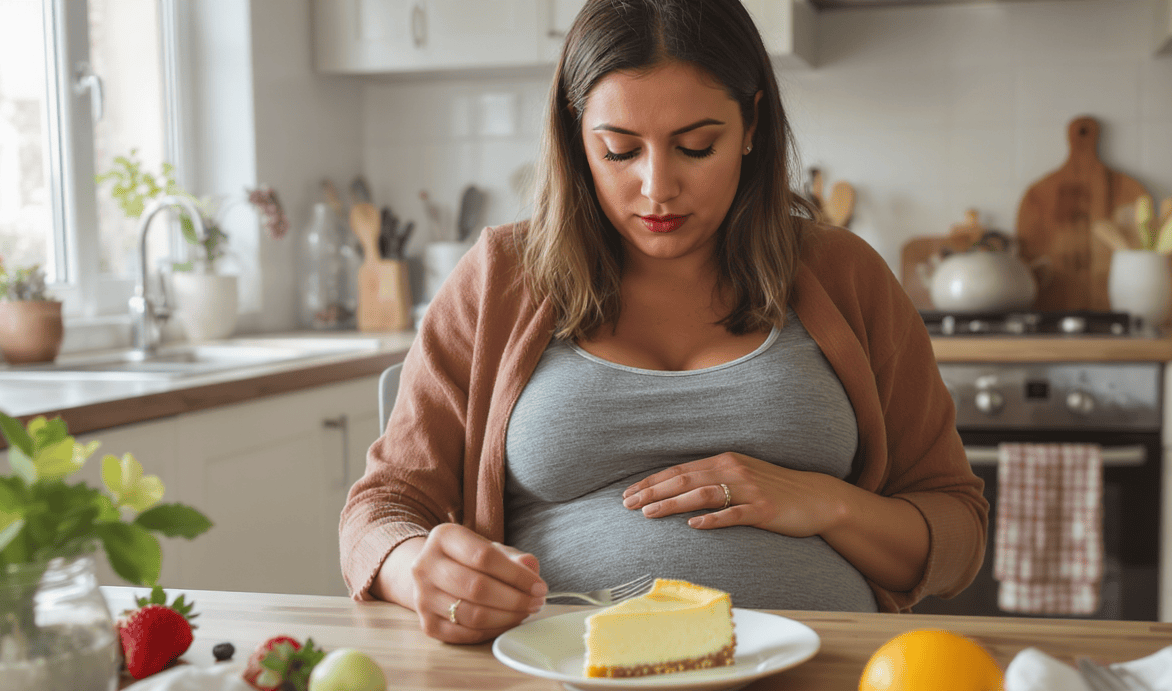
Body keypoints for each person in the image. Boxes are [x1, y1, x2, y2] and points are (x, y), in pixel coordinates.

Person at [340, 0, 985, 644]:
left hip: (825, 690)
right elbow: (381, 510)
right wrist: (412, 569)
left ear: (753, 122)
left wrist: (829, 504)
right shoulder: (501, 276)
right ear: (575, 136)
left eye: (697, 147)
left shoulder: (844, 274)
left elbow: (958, 532)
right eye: (620, 151)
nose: (658, 187)